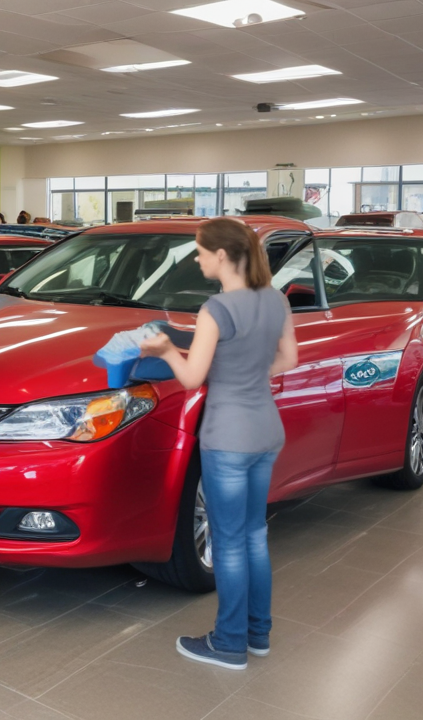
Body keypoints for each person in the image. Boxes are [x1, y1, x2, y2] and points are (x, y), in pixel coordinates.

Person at [138, 217, 298, 670]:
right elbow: (289, 357)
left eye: (200, 251)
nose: (197, 258)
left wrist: (165, 350)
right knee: (254, 536)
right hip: (266, 432)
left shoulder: (216, 309)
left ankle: (228, 643)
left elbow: (192, 378)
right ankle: (257, 634)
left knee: (228, 543)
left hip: (228, 438)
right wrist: (249, 375)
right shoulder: (276, 299)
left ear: (222, 256)